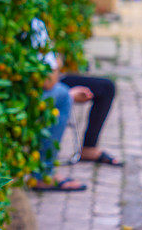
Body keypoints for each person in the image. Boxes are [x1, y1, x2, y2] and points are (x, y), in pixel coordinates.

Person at [29, 19, 121, 192]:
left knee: (106, 87)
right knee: (63, 95)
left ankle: (89, 148)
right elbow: (48, 81)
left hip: (53, 79)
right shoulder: (32, 24)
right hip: (39, 86)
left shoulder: (38, 19)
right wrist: (70, 94)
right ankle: (44, 174)